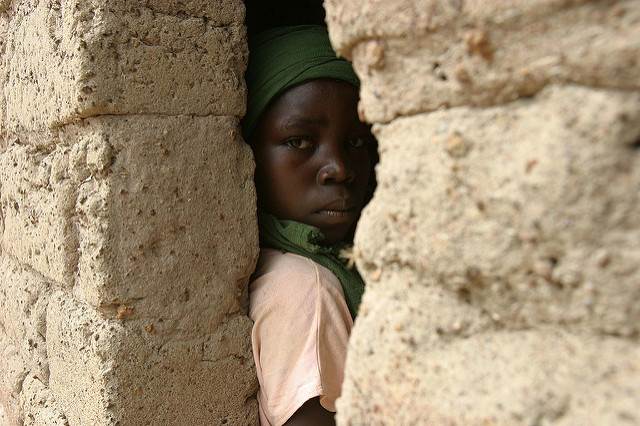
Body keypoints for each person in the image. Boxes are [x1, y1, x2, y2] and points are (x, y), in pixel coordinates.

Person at [243, 25, 375, 426]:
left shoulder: (276, 264)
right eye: (299, 141)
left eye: (355, 142)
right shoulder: (308, 289)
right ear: (248, 153)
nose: (339, 169)